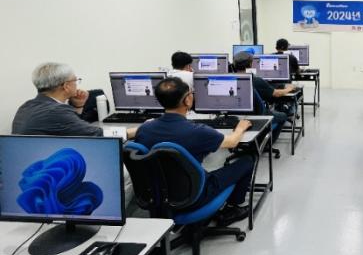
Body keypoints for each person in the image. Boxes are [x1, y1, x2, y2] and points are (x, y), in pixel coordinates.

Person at [134, 77, 254, 225]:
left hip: (156, 196)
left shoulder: (144, 129)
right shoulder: (198, 131)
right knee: (247, 161)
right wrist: (240, 128)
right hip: (193, 198)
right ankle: (232, 209)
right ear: (187, 100)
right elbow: (232, 142)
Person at [13, 62, 137, 137]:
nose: (77, 83)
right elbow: (99, 136)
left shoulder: (26, 106)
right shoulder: (56, 112)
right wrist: (139, 130)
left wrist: (78, 106)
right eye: (75, 80)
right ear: (66, 86)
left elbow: (73, 129)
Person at [232, 51, 295, 146]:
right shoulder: (256, 80)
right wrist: (288, 89)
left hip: (237, 117)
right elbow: (276, 94)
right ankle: (266, 144)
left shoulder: (230, 80)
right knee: (283, 116)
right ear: (250, 64)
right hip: (259, 116)